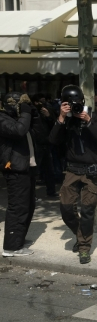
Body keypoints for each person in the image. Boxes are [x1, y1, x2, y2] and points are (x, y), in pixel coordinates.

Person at [49, 85, 97, 264]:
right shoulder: (65, 121)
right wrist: (60, 118)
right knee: (66, 208)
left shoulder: (94, 116)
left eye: (76, 103)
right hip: (72, 170)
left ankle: (84, 248)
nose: (74, 106)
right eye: (69, 103)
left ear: (82, 101)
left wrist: (88, 121)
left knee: (88, 210)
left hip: (91, 171)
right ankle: (80, 235)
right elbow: (52, 141)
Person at [0, 93, 41, 257]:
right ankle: (11, 247)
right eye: (17, 104)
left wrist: (35, 113)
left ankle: (18, 239)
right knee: (18, 207)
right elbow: (18, 131)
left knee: (28, 205)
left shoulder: (21, 118)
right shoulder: (2, 118)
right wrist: (25, 113)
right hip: (15, 169)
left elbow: (40, 133)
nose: (20, 107)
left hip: (27, 167)